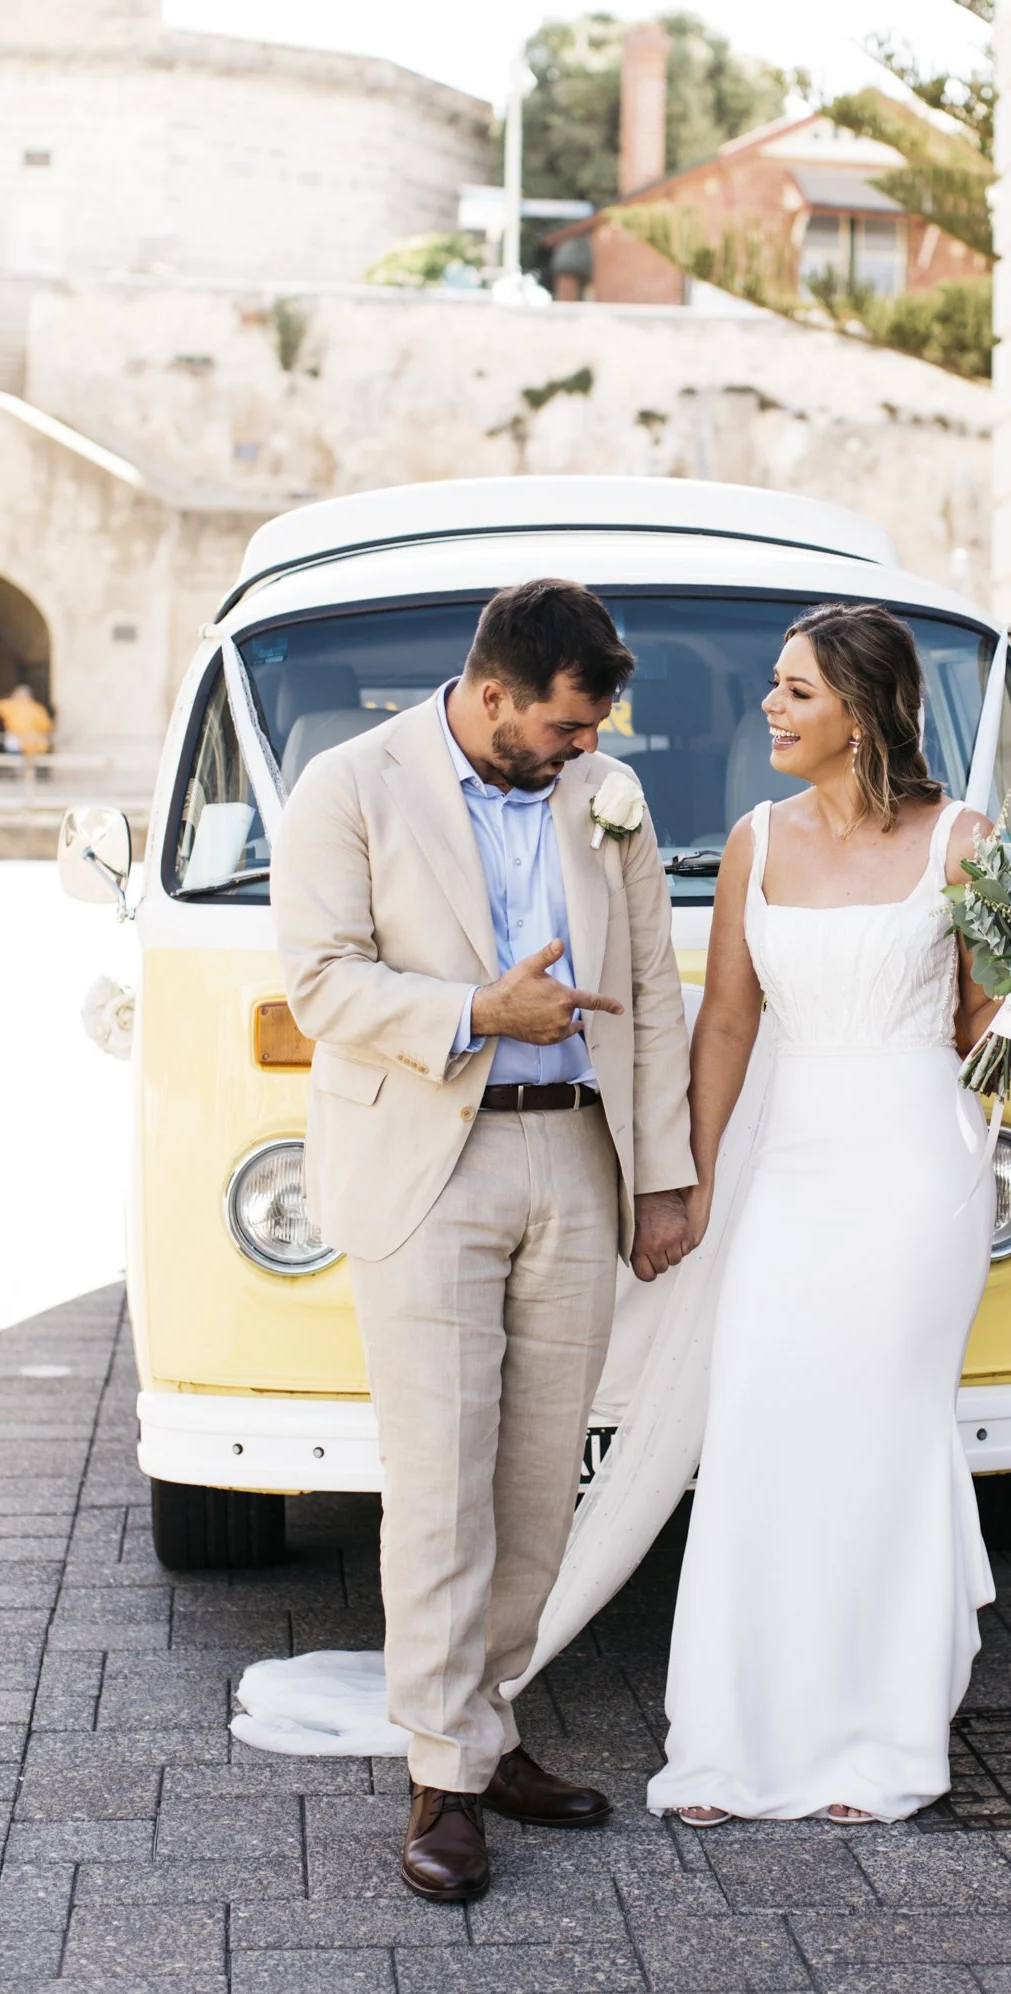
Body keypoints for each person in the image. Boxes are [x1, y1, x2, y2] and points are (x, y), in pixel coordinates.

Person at [272, 579, 695, 1901]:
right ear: (495, 694)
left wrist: (663, 1179)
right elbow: (322, 980)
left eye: (594, 732)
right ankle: (442, 1778)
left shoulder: (604, 791)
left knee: (535, 1475)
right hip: (425, 1157)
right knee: (440, 1478)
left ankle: (488, 1722)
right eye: (566, 727)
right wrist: (478, 1010)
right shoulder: (346, 785)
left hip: (575, 1152)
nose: (586, 750)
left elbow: (656, 990)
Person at [646, 602, 1011, 1827]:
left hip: (916, 1167)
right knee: (766, 1417)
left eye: (795, 691)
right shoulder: (754, 840)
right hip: (794, 1167)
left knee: (880, 1427)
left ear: (866, 711)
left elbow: (976, 1030)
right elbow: (726, 1021)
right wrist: (694, 1175)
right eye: (773, 687)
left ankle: (878, 1732)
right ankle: (733, 1736)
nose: (768, 708)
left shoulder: (963, 841)